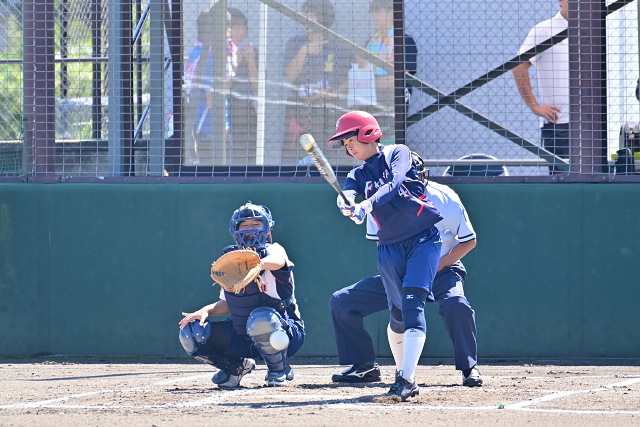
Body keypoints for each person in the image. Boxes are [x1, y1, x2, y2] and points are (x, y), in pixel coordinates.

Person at [329, 153, 482, 388]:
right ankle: (364, 365)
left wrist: (439, 264)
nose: (412, 178)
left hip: (443, 269)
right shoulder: (381, 200)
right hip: (400, 270)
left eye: (415, 174)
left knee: (457, 305)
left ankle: (469, 367)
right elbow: (382, 243)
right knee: (342, 302)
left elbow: (468, 240)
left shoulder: (444, 196)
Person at [327, 110, 443, 401]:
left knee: (413, 303)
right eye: (344, 143)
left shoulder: (397, 153)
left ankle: (406, 378)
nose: (349, 147)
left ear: (368, 133)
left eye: (351, 139)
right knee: (398, 314)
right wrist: (349, 206)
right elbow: (349, 192)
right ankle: (402, 373)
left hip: (422, 238)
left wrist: (365, 206)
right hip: (388, 247)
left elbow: (393, 184)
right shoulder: (356, 174)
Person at [179, 201, 305, 387]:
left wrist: (258, 264)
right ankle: (236, 367)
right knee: (191, 332)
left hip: (285, 333)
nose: (250, 230)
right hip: (243, 333)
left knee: (261, 318)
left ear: (268, 229)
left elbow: (279, 261)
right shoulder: (232, 260)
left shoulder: (274, 250)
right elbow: (227, 303)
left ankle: (279, 368)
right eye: (244, 225)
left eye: (256, 224)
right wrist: (206, 310)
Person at [282, 0, 351, 164]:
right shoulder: (295, 43)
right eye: (305, 15)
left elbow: (351, 80)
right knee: (298, 160)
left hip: (329, 113)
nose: (306, 19)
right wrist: (304, 51)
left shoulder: (339, 46)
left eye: (311, 15)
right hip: (299, 113)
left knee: (330, 160)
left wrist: (331, 94)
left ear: (323, 18)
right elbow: (290, 75)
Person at [512, 0, 568, 175]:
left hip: (593, 124)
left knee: (594, 180)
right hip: (560, 125)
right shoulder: (544, 30)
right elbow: (518, 66)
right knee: (563, 183)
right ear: (560, 1)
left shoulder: (596, 29)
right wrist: (534, 106)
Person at [362, 0, 418, 142]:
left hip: (394, 107)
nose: (373, 17)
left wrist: (367, 83)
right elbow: (360, 75)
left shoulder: (405, 41)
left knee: (390, 147)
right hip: (368, 105)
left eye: (378, 11)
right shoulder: (370, 42)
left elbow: (401, 79)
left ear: (392, 13)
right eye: (372, 12)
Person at [227, 8, 259, 165]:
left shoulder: (253, 51)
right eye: (235, 27)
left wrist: (251, 60)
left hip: (246, 108)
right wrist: (236, 61)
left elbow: (258, 88)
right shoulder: (221, 51)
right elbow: (223, 88)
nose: (240, 31)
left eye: (243, 27)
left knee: (251, 150)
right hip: (226, 108)